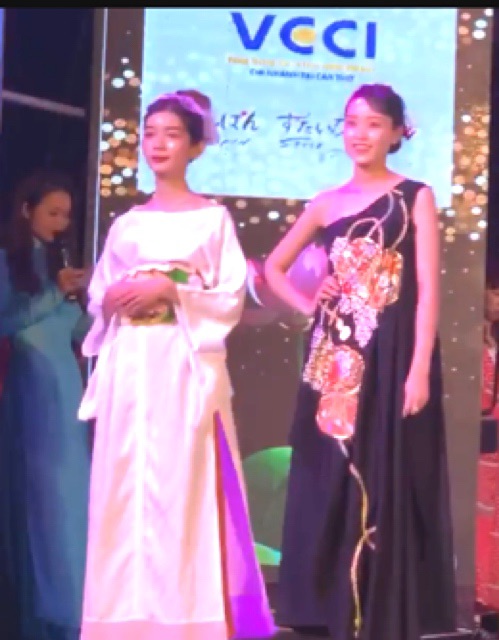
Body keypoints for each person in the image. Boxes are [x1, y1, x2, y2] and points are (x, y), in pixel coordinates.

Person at [78, 89, 275, 640]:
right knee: (124, 485)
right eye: (150, 134)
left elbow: (229, 296)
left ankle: (187, 618)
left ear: (195, 146)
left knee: (183, 487)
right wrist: (113, 298)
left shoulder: (212, 220)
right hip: (130, 364)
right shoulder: (127, 224)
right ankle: (121, 618)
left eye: (171, 134)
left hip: (183, 365)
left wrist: (171, 290)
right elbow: (98, 296)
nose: (157, 144)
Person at [264, 84, 456, 640]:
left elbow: (427, 291)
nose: (360, 133)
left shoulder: (415, 195)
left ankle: (378, 609)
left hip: (393, 354)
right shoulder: (326, 202)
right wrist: (310, 305)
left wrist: (418, 369)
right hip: (335, 358)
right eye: (352, 122)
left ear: (396, 132)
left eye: (373, 123)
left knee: (385, 471)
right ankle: (325, 608)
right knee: (329, 472)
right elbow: (273, 268)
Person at [0, 170, 91, 640]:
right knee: (42, 502)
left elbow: (77, 332)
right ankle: (44, 614)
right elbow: (8, 321)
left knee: (72, 500)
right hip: (33, 390)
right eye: (53, 213)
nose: (61, 223)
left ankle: (75, 609)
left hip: (67, 389)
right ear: (26, 210)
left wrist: (100, 306)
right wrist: (56, 290)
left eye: (66, 216)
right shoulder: (9, 263)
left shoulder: (58, 265)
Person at [476, 259, 499, 610]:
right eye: (494, 292)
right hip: (480, 442)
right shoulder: (470, 344)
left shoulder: (492, 341)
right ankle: (480, 598)